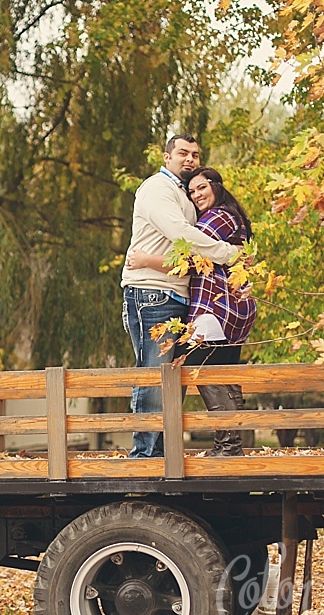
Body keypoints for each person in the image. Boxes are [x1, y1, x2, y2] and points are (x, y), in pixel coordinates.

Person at [121, 137, 242, 458]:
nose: (190, 159)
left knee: (175, 378)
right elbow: (181, 234)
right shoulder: (157, 188)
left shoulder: (186, 195)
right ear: (167, 156)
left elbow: (187, 258)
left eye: (196, 154)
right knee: (156, 375)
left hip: (177, 294)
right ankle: (146, 456)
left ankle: (162, 453)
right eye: (183, 153)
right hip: (152, 293)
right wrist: (228, 253)